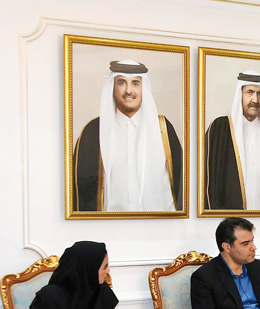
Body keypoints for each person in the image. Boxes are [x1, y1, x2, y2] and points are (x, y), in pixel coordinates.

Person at [74, 60, 182, 212]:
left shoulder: (162, 129)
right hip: (107, 228)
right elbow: (82, 191)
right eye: (122, 83)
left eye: (136, 84)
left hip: (158, 226)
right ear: (113, 88)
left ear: (144, 88)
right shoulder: (93, 132)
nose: (129, 91)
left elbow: (178, 185)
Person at [204, 71, 260, 211]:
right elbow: (209, 181)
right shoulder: (220, 128)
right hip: (231, 219)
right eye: (250, 92)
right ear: (240, 95)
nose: (255, 100)